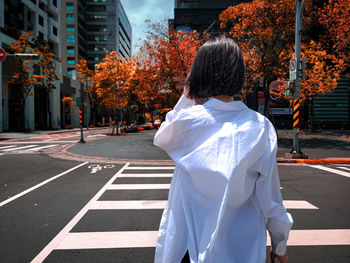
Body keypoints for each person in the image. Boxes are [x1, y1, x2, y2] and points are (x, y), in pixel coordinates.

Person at [153, 37, 293, 263]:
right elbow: (271, 198)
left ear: (198, 75)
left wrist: (188, 94)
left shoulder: (187, 122)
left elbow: (163, 135)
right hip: (241, 250)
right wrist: (280, 244)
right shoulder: (260, 127)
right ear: (240, 74)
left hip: (188, 248)